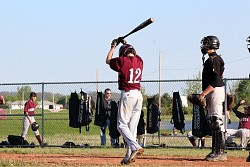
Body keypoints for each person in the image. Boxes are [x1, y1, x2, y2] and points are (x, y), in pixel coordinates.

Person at [106, 38, 144, 165]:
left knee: (121, 125)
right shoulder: (140, 61)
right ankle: (128, 157)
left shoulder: (122, 61)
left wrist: (113, 46)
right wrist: (125, 42)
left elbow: (108, 60)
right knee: (131, 129)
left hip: (128, 94)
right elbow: (134, 53)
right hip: (139, 95)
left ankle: (135, 147)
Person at [199, 35, 227, 161]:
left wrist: (204, 94)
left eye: (205, 44)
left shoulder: (215, 59)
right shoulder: (209, 59)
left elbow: (216, 81)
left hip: (215, 91)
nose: (203, 46)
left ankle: (220, 152)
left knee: (216, 121)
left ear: (211, 45)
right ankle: (215, 151)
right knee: (212, 121)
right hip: (211, 91)